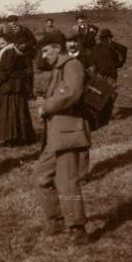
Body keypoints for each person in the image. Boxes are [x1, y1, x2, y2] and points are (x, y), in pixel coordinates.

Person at [34, 32, 92, 245]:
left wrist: (46, 106)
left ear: (57, 48)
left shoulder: (72, 65)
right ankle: (57, 219)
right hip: (56, 135)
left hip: (69, 134)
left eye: (46, 50)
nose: (44, 55)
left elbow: (71, 94)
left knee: (67, 183)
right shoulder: (59, 68)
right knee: (41, 177)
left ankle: (78, 229)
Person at [0, 34, 36, 145]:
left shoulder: (8, 52)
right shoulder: (21, 52)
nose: (1, 46)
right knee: (18, 109)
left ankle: (6, 136)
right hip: (18, 85)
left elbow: (5, 71)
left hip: (8, 85)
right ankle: (20, 135)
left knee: (6, 109)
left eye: (2, 43)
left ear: (9, 42)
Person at [93, 29, 124, 126]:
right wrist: (119, 64)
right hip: (111, 73)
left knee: (100, 93)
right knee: (111, 93)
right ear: (109, 38)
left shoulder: (96, 47)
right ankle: (110, 113)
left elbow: (93, 61)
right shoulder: (112, 47)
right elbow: (123, 51)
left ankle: (101, 113)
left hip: (100, 73)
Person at [6, 14, 37, 98]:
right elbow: (7, 43)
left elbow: (33, 41)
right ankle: (21, 93)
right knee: (18, 73)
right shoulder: (8, 33)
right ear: (8, 24)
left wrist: (26, 45)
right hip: (16, 56)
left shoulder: (25, 30)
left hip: (27, 55)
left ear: (17, 21)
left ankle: (30, 93)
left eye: (14, 21)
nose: (13, 23)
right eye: (10, 22)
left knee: (29, 73)